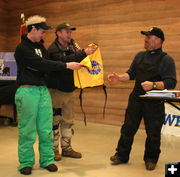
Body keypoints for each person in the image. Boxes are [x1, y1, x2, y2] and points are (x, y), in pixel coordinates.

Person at [14, 15, 83, 175]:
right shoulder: (22, 48)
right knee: (27, 129)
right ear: (33, 29)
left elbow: (45, 65)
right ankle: (26, 162)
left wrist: (42, 66)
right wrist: (64, 65)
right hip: (27, 91)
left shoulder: (41, 47)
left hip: (43, 91)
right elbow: (42, 64)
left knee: (46, 128)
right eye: (42, 32)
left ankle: (47, 159)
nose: (44, 35)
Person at [108, 27, 177, 171]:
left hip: (154, 102)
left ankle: (151, 159)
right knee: (127, 128)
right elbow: (131, 73)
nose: (145, 39)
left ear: (158, 40)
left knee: (153, 132)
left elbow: (171, 82)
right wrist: (119, 77)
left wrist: (153, 84)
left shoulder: (167, 60)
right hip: (136, 99)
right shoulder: (140, 55)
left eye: (148, 37)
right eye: (145, 37)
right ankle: (122, 155)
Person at [46, 22, 97, 161]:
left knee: (68, 120)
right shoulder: (52, 49)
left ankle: (67, 148)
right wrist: (83, 53)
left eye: (70, 31)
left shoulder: (73, 45)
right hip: (55, 90)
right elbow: (64, 61)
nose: (70, 34)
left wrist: (86, 53)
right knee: (54, 120)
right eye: (66, 31)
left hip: (69, 89)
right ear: (58, 33)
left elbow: (79, 59)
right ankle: (54, 149)